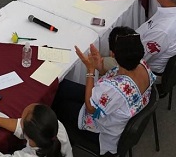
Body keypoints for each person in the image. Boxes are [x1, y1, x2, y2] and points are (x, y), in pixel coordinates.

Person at [53, 27, 155, 157]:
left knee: (57, 105)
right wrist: (99, 67)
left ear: (112, 54)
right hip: (113, 107)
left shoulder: (115, 88)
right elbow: (112, 79)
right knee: (62, 87)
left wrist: (90, 70)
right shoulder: (142, 64)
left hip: (103, 131)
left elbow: (90, 108)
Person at [0, 100, 72, 157]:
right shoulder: (55, 126)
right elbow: (20, 125)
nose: (18, 120)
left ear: (28, 135)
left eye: (21, 119)